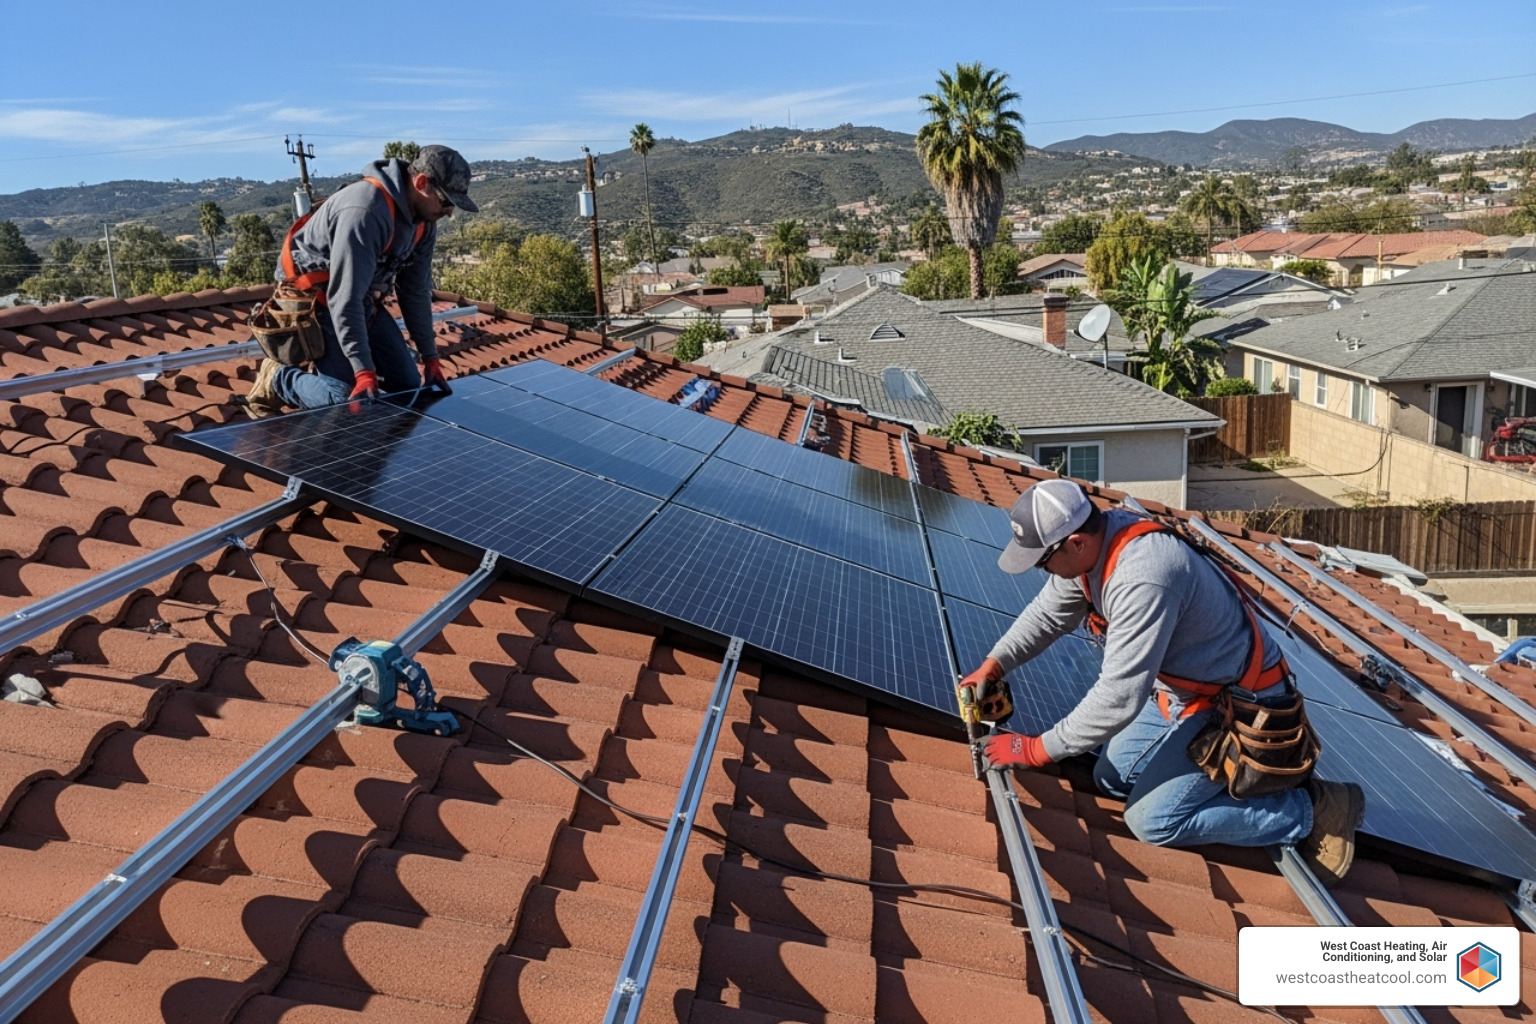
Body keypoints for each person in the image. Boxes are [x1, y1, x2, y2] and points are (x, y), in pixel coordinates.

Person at [962, 478, 1365, 885]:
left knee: (1151, 821)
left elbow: (1119, 697)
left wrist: (1034, 749)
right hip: (1184, 692)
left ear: (1077, 542)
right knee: (1110, 778)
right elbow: (1048, 615)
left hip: (1238, 704)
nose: (1041, 570)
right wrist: (995, 663)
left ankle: (1311, 809)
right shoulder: (1093, 545)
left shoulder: (1143, 576)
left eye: (1042, 560)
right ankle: (1220, 780)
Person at [247, 145, 477, 413]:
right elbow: (344, 299)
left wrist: (430, 357)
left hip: (360, 298)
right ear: (422, 183)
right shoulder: (366, 210)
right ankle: (277, 378)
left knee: (408, 386)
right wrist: (363, 370)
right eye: (446, 201)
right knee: (345, 401)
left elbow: (414, 291)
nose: (449, 211)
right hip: (316, 299)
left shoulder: (424, 222)